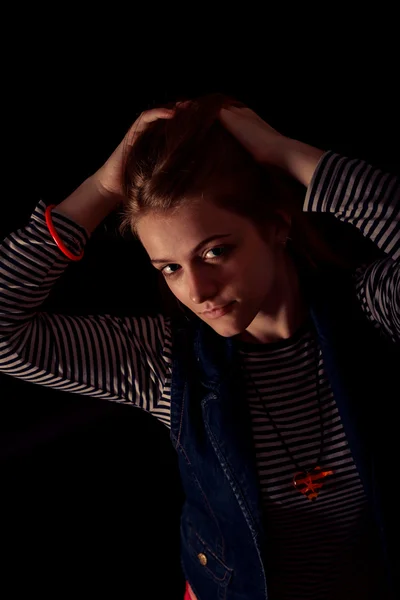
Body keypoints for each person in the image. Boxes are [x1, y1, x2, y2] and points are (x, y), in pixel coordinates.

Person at [0, 93, 398, 600]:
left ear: (276, 226)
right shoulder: (166, 367)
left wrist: (286, 153)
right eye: (170, 267)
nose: (196, 291)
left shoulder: (374, 314)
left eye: (215, 251)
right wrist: (100, 189)